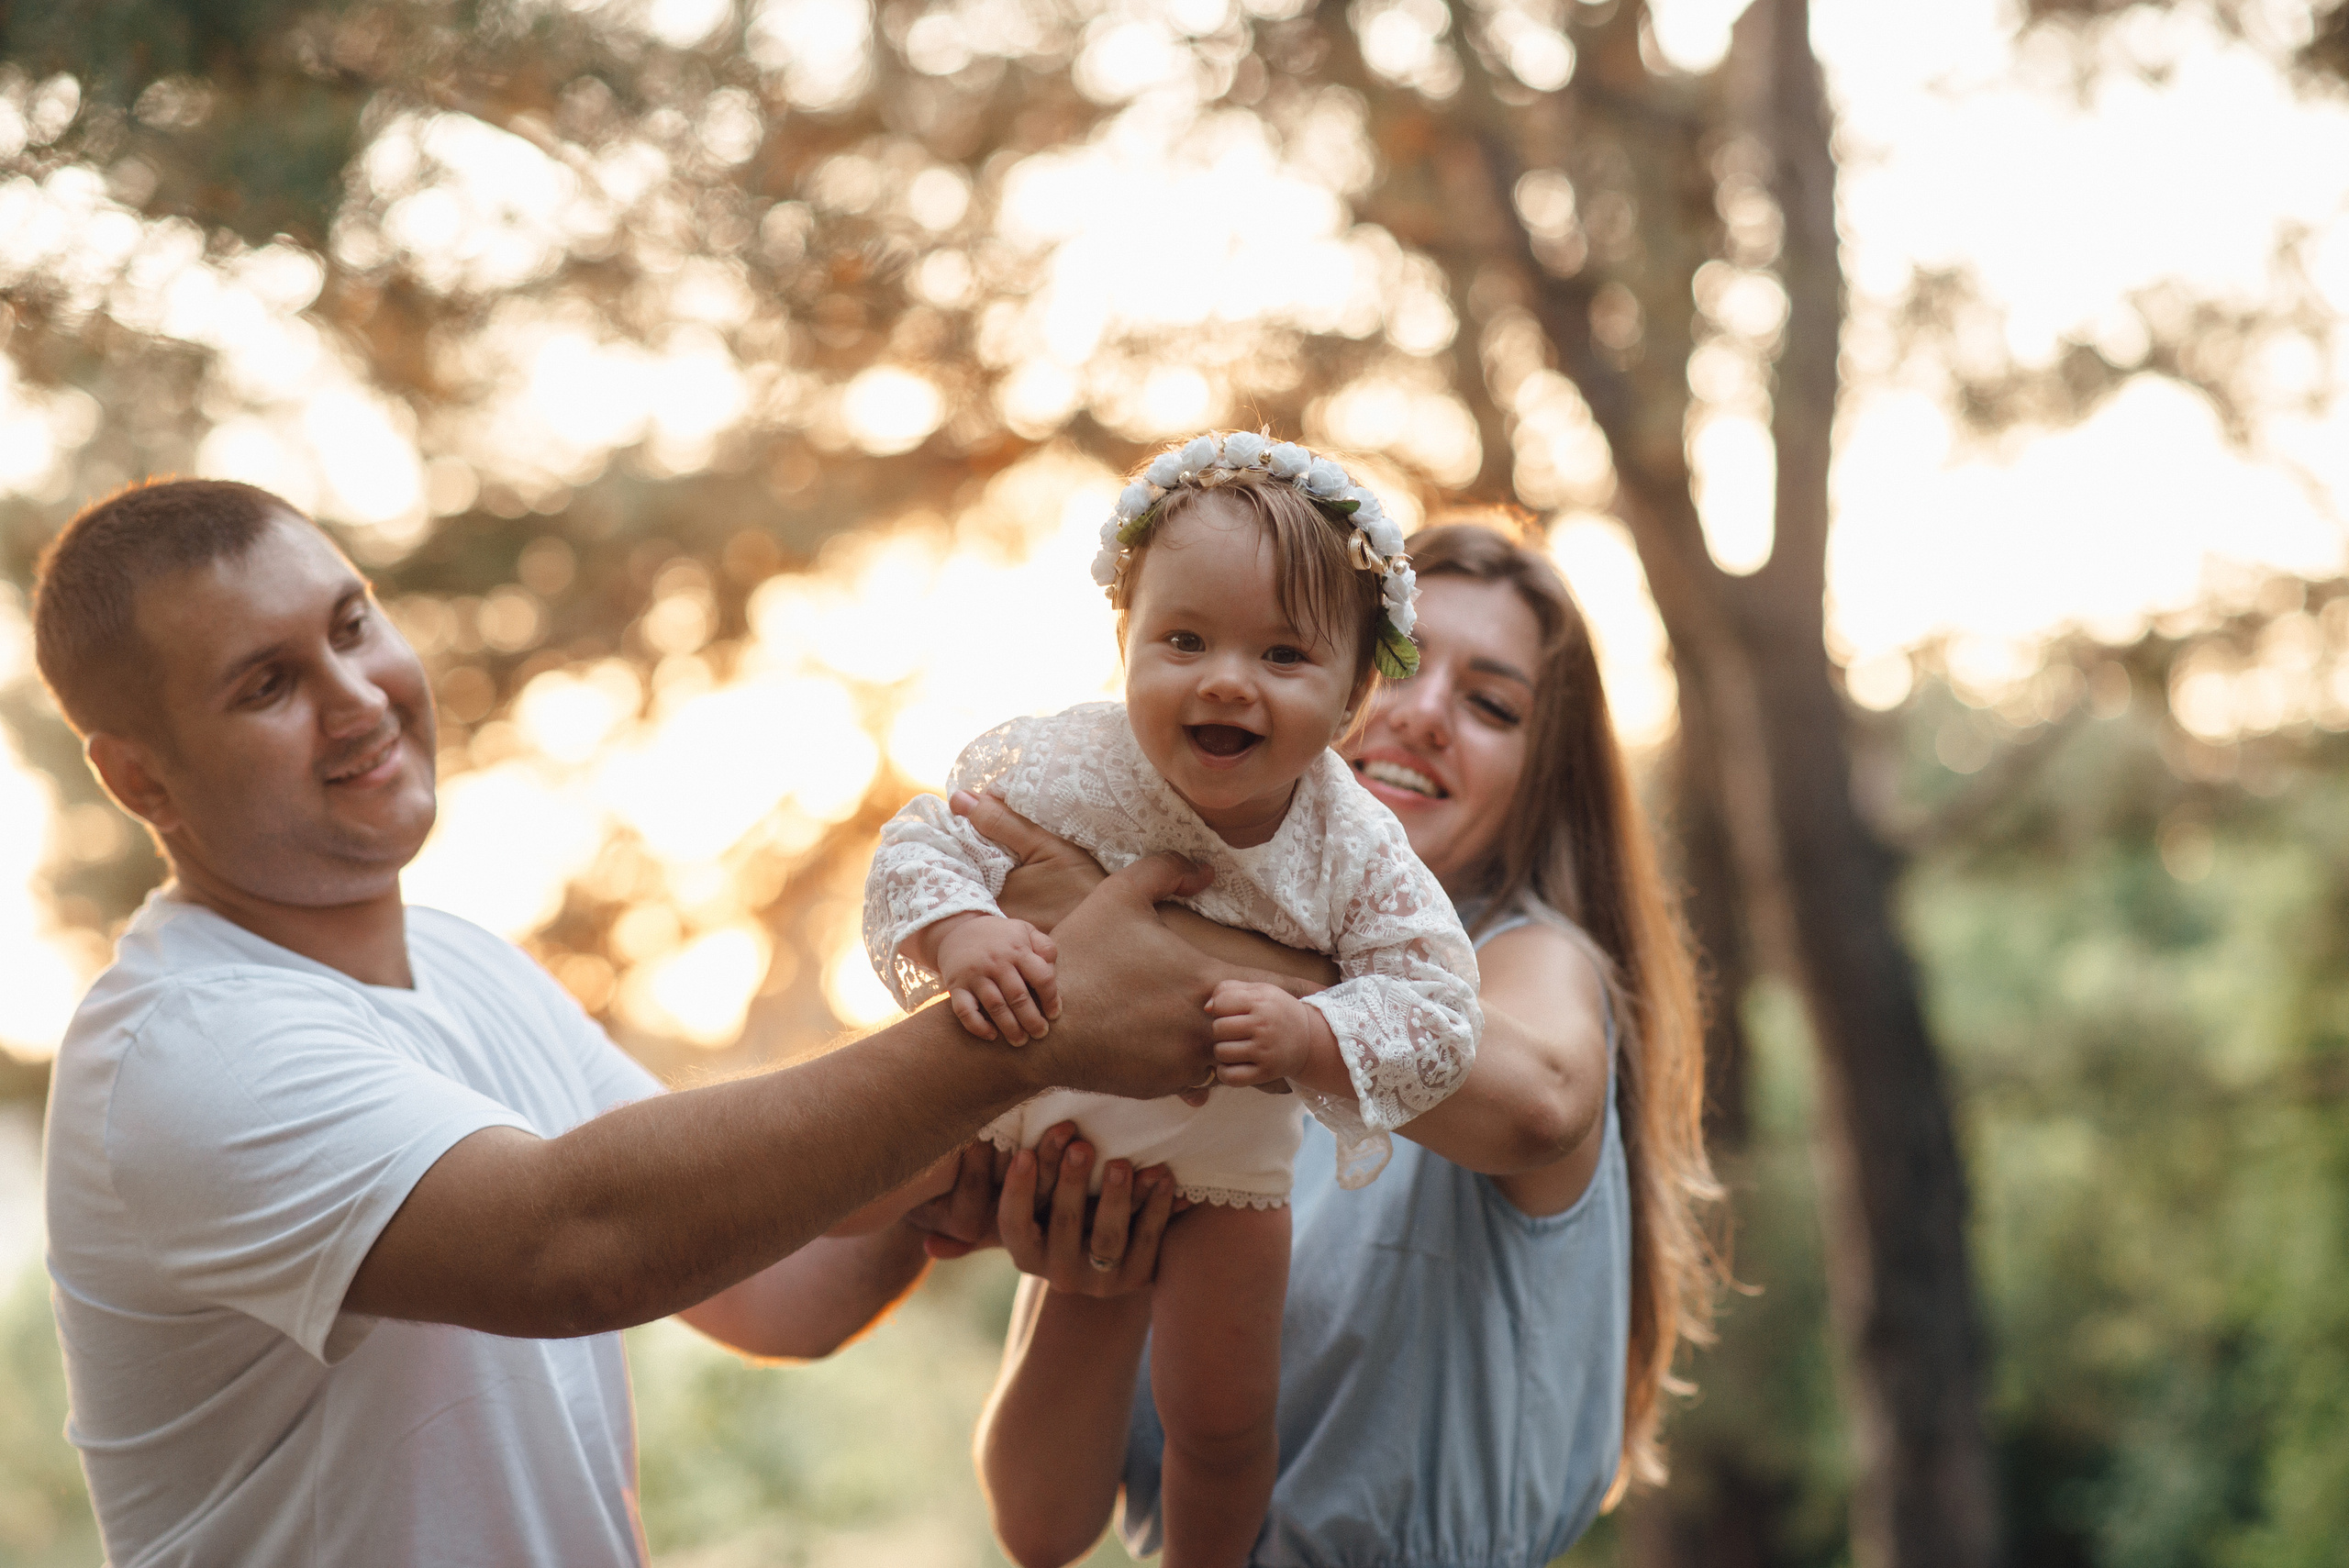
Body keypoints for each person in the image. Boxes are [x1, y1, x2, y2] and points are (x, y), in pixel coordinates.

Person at [29, 478, 1284, 1568]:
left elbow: (777, 1287)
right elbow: (574, 1243)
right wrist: (1037, 1024)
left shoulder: (467, 965)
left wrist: (986, 1148)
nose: (356, 697)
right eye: (268, 684)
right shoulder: (186, 1046)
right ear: (140, 777)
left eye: (353, 625)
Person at [942, 517, 1721, 1567]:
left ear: (1542, 777)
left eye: (1491, 704)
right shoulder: (1157, 1032)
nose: (1423, 711)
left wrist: (1207, 970)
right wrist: (1092, 1286)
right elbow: (1040, 1525)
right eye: (1398, 664)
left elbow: (1543, 1099)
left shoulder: (1530, 957)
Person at [854, 432, 1482, 1568]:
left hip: (1219, 1164)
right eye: (1183, 640)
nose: (1225, 679)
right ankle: (687, 1227)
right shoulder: (1074, 764)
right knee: (843, 1185)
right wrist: (963, 930)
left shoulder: (1354, 845)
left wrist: (1309, 1030)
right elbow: (925, 842)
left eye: (1282, 653)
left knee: (1223, 1417)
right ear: (1126, 642)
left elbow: (1438, 1006)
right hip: (1022, 1071)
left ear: (1352, 694)